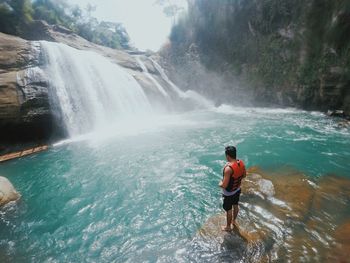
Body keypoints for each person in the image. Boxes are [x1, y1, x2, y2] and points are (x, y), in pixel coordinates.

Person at [219, 146, 246, 231]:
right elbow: (244, 175)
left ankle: (228, 227)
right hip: (237, 190)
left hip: (228, 193)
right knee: (236, 205)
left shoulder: (228, 169)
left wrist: (220, 183)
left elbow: (224, 185)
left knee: (229, 210)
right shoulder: (241, 163)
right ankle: (233, 221)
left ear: (227, 156)